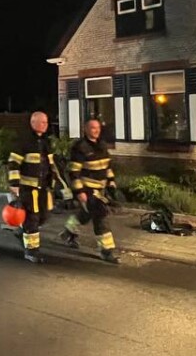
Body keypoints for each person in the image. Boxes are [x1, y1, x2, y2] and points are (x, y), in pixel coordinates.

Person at [59, 118, 121, 263]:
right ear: (85, 129)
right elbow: (74, 172)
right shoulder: (80, 148)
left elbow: (108, 166)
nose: (96, 130)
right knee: (101, 217)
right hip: (88, 189)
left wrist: (111, 182)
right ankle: (106, 251)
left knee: (85, 215)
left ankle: (68, 232)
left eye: (98, 128)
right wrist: (80, 192)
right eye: (93, 128)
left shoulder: (102, 146)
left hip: (101, 189)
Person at [7, 111, 64, 264]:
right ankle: (31, 251)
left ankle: (22, 231)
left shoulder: (45, 142)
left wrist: (59, 185)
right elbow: (13, 163)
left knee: (44, 216)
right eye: (42, 122)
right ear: (33, 123)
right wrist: (14, 184)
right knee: (32, 218)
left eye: (46, 122)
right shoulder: (24, 141)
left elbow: (51, 165)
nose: (45, 125)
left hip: (44, 189)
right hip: (28, 189)